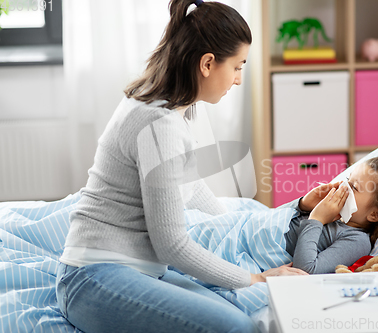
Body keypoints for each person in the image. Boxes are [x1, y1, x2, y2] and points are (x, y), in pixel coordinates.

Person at [55, 1, 306, 332]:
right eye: (237, 67)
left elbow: (188, 183)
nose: (238, 80)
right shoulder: (159, 121)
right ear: (207, 63)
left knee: (245, 315)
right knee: (236, 327)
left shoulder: (173, 106)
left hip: (135, 268)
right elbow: (171, 244)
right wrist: (255, 278)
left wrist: (236, 229)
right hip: (93, 275)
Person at [280, 157, 378, 274]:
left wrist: (316, 219)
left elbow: (305, 270)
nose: (344, 186)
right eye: (348, 179)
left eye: (354, 187)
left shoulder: (357, 241)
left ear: (374, 214)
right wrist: (303, 204)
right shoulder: (333, 215)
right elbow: (277, 217)